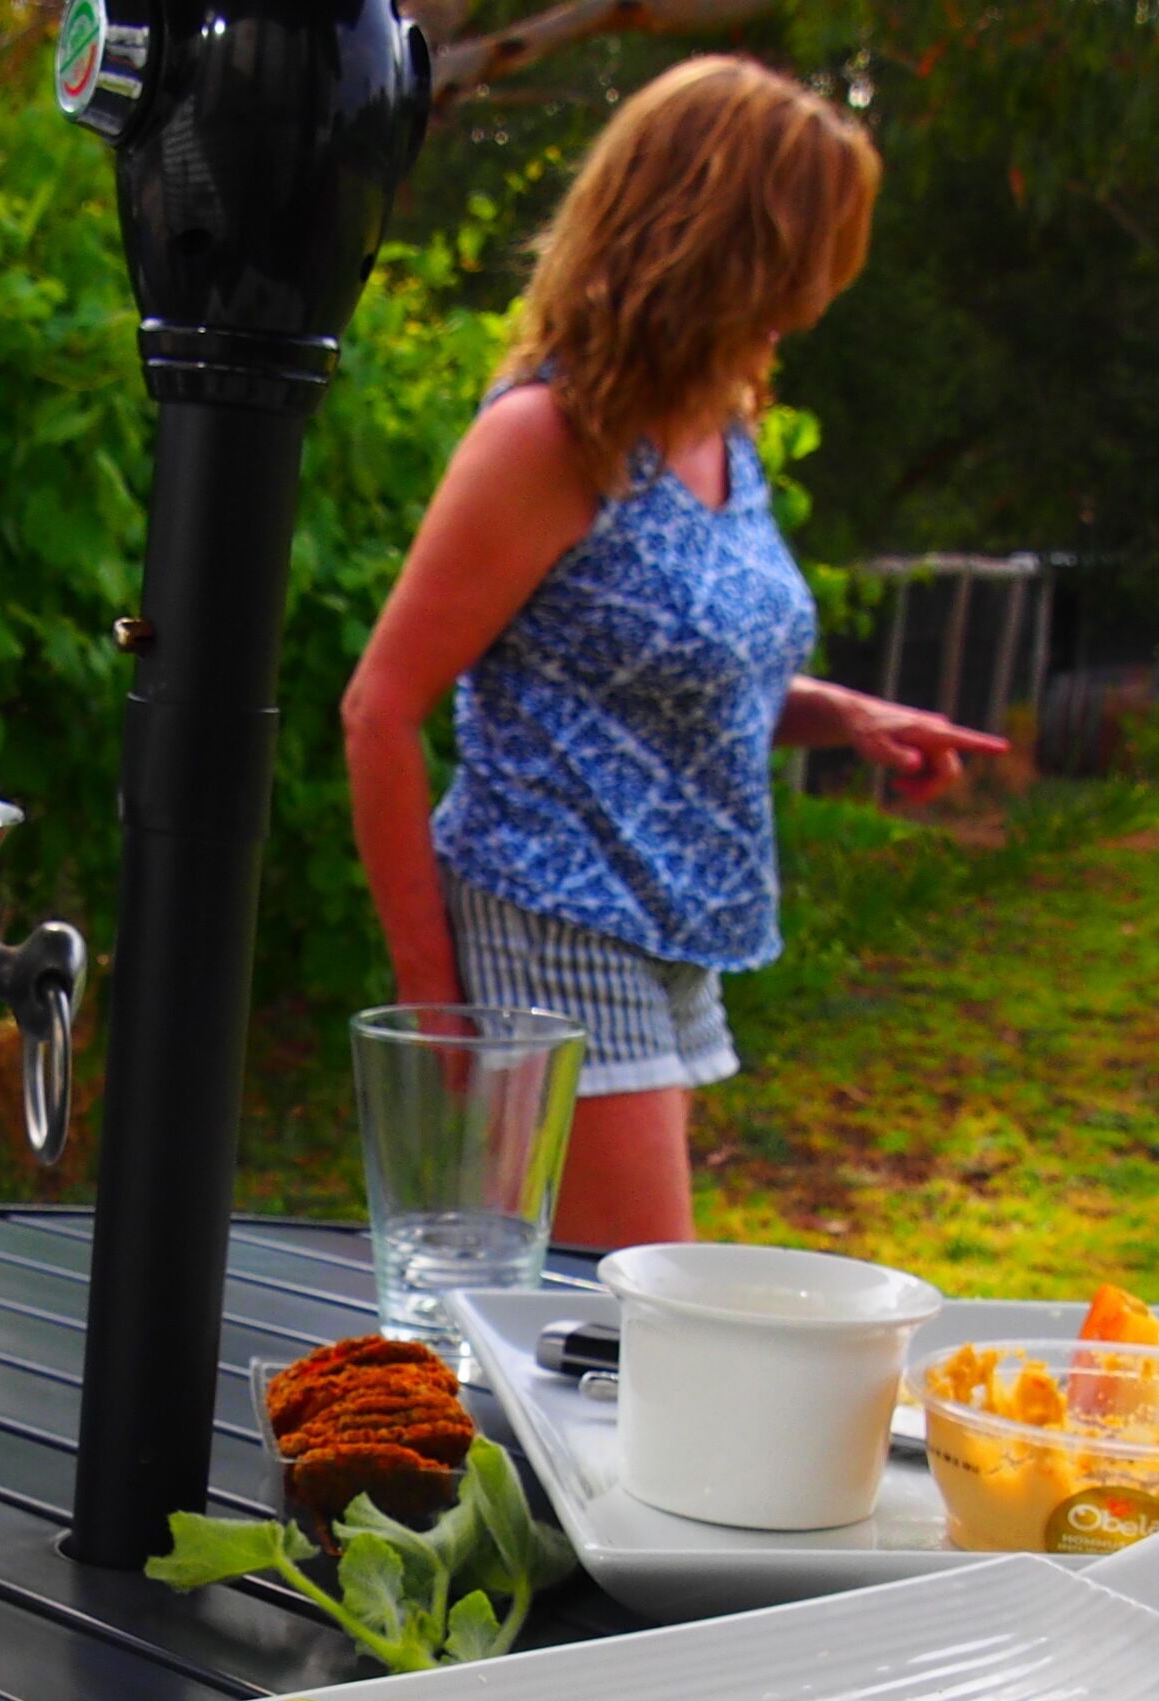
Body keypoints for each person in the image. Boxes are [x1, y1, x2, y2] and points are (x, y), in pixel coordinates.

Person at [342, 55, 1006, 1251]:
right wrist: (436, 1002)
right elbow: (380, 708)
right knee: (636, 1305)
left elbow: (669, 678)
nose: (820, 291)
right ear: (722, 245)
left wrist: (843, 715)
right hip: (552, 911)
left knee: (577, 1312)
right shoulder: (549, 438)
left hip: (674, 928)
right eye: (809, 252)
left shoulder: (719, 427)